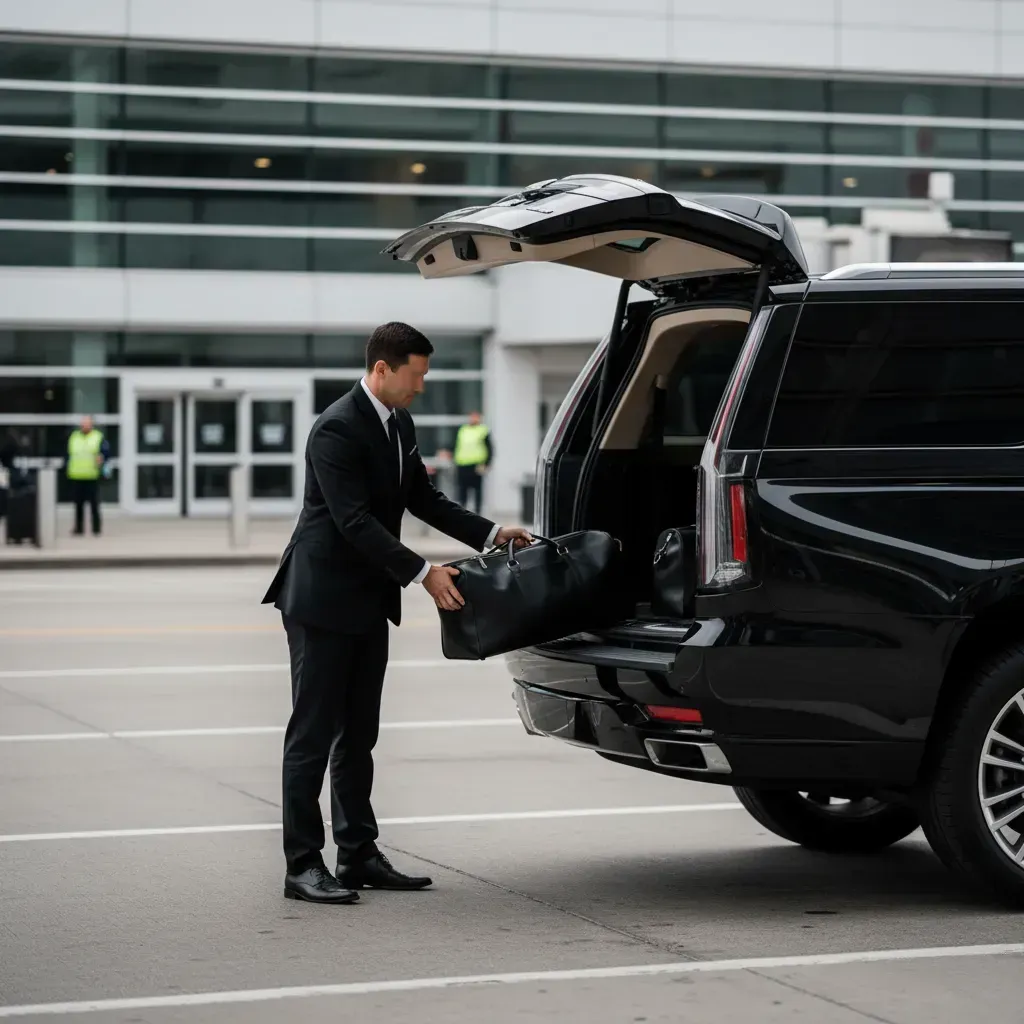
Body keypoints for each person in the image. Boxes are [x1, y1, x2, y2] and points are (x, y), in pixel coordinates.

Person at [262, 322, 531, 905]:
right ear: (383, 369)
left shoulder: (398, 423)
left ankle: (357, 854)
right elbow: (353, 521)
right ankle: (302, 865)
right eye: (417, 375)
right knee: (312, 736)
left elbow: (423, 499)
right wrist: (424, 574)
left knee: (359, 735)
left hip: (366, 599)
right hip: (322, 600)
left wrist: (490, 532)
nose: (422, 387)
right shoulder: (335, 428)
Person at [66, 415, 109, 536]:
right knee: (78, 505)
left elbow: (105, 453)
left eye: (87, 423)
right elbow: (69, 454)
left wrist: (102, 459)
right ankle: (78, 528)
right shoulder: (74, 437)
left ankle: (96, 529)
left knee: (94, 505)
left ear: (91, 424)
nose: (84, 425)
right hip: (76, 475)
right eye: (83, 423)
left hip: (91, 475)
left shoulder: (98, 437)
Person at [453, 411, 491, 516]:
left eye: (476, 417)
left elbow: (489, 448)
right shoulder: (463, 430)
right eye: (472, 417)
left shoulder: (483, 430)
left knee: (477, 491)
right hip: (462, 464)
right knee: (462, 490)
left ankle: (478, 513)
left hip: (476, 465)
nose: (474, 419)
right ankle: (461, 512)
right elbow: (457, 445)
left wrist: (486, 464)